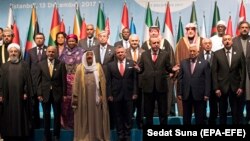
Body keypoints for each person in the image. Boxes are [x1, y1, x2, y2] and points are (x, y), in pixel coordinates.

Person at [139, 37, 179, 125]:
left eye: (158, 42)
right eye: (154, 43)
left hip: (161, 87)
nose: (156, 44)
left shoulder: (165, 54)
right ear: (150, 43)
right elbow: (141, 69)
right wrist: (138, 68)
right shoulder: (144, 54)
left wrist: (173, 69)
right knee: (148, 113)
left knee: (163, 113)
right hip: (148, 87)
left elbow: (168, 68)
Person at [72, 50, 110, 141]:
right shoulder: (80, 68)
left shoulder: (98, 67)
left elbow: (103, 83)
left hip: (95, 98)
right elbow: (76, 83)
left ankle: (96, 135)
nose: (89, 56)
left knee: (96, 116)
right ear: (84, 56)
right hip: (83, 97)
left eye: (91, 54)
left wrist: (101, 95)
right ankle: (84, 136)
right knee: (84, 115)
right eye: (87, 54)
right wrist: (75, 97)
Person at [0, 43, 33, 141]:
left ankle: (21, 134)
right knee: (7, 115)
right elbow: (0, 81)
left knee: (21, 116)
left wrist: (26, 92)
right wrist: (1, 94)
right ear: (9, 53)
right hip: (7, 97)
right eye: (11, 51)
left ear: (19, 53)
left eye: (15, 51)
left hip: (20, 97)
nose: (13, 53)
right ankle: (8, 135)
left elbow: (28, 81)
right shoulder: (4, 66)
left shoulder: (24, 65)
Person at [142, 25, 176, 117]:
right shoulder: (145, 45)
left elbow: (171, 59)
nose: (153, 33)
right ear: (149, 33)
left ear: (158, 32)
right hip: (149, 82)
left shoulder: (166, 43)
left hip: (162, 80)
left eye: (155, 31)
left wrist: (171, 71)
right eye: (151, 31)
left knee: (164, 105)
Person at [212, 34, 246, 124]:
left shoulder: (239, 52)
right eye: (225, 40)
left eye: (229, 39)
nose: (227, 41)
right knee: (222, 112)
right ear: (222, 42)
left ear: (232, 41)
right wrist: (216, 88)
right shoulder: (217, 53)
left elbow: (243, 71)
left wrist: (241, 87)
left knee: (235, 111)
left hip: (235, 87)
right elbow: (214, 72)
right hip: (221, 87)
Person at [107, 46, 137, 141]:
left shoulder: (132, 63)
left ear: (125, 53)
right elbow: (108, 81)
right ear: (115, 54)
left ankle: (127, 135)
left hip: (129, 94)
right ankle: (120, 134)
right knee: (118, 116)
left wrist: (135, 92)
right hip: (116, 95)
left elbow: (135, 79)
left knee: (128, 115)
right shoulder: (110, 65)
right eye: (118, 52)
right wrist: (109, 94)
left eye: (122, 52)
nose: (120, 54)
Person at [37, 46, 67, 141]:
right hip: (44, 94)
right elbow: (38, 81)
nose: (50, 53)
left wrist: (64, 94)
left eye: (52, 52)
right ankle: (46, 135)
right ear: (46, 53)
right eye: (49, 51)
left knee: (57, 115)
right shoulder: (41, 64)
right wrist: (39, 93)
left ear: (55, 53)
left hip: (57, 94)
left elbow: (63, 80)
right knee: (46, 115)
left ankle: (56, 135)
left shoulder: (61, 64)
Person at [177, 45, 211, 125]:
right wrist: (179, 92)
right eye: (190, 51)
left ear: (198, 52)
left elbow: (207, 79)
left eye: (194, 51)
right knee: (186, 117)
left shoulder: (205, 63)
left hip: (200, 95)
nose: (192, 53)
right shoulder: (183, 63)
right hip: (186, 94)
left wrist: (207, 94)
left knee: (200, 118)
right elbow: (180, 79)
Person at [175, 22, 203, 116]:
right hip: (185, 80)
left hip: (199, 80)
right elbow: (177, 59)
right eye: (188, 29)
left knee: (200, 112)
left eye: (192, 29)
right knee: (186, 112)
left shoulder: (202, 41)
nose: (190, 31)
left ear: (195, 31)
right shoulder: (181, 42)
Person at [60, 34, 84, 129]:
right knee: (66, 103)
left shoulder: (82, 52)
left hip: (78, 80)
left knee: (77, 102)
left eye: (73, 41)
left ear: (76, 42)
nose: (71, 43)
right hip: (65, 82)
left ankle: (77, 124)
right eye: (69, 41)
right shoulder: (63, 53)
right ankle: (66, 124)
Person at [92, 31, 115, 129]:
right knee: (97, 101)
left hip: (109, 79)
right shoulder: (93, 49)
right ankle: (97, 124)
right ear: (98, 37)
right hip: (95, 79)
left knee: (109, 101)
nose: (102, 38)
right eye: (100, 36)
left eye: (104, 36)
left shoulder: (113, 49)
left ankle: (110, 124)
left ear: (107, 37)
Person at [26, 32, 48, 129]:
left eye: (41, 38)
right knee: (34, 106)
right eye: (37, 38)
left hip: (45, 83)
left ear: (44, 39)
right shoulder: (30, 51)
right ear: (35, 40)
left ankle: (46, 127)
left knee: (45, 106)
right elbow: (27, 68)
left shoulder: (49, 50)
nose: (39, 40)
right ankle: (36, 125)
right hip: (33, 83)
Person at [232, 21, 250, 124]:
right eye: (242, 27)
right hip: (237, 76)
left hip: (249, 75)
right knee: (238, 101)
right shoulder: (234, 41)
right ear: (239, 29)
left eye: (246, 27)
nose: (244, 29)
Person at [126, 34, 144, 128]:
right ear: (129, 41)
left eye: (136, 41)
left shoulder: (144, 52)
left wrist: (140, 69)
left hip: (141, 83)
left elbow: (146, 68)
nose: (134, 42)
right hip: (129, 83)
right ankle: (129, 124)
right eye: (132, 41)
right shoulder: (124, 52)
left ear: (139, 41)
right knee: (129, 106)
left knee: (140, 105)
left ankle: (140, 124)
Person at [198, 38, 216, 124]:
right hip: (201, 86)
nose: (208, 45)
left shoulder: (217, 55)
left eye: (209, 43)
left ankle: (212, 123)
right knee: (202, 107)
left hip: (214, 86)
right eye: (206, 43)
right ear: (202, 45)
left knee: (214, 106)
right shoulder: (198, 56)